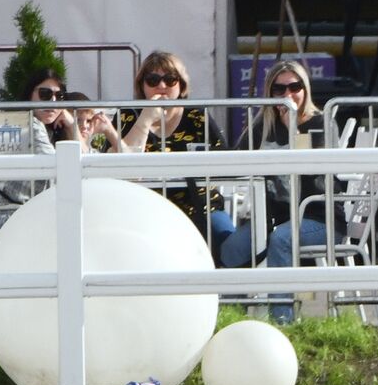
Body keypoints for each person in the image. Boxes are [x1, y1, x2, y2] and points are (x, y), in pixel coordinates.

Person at [220, 59, 328, 323]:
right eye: (279, 89)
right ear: (270, 93)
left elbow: (311, 171)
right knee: (231, 249)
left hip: (319, 217)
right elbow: (234, 162)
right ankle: (233, 323)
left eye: (295, 87)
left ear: (305, 90)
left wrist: (292, 127)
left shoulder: (320, 123)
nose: (288, 95)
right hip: (273, 218)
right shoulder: (263, 125)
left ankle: (283, 324)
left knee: (282, 239)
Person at [0, 68, 81, 251]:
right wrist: (72, 126)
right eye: (45, 94)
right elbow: (70, 170)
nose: (53, 102)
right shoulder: (29, 125)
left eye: (59, 97)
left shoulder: (10, 119)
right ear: (30, 96)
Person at [117, 51, 233, 250]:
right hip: (143, 209)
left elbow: (225, 158)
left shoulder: (196, 115)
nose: (161, 86)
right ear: (142, 86)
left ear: (181, 85)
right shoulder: (128, 115)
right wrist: (144, 121)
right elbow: (117, 164)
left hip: (200, 206)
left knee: (228, 244)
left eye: (170, 79)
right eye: (153, 80)